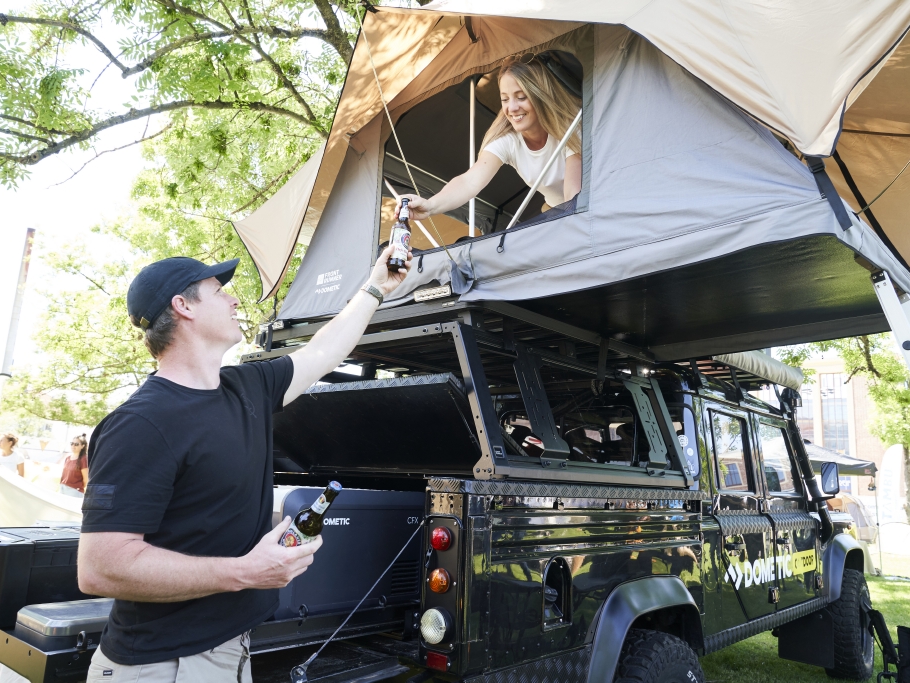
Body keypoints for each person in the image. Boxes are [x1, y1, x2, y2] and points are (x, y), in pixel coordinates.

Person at [77, 246, 411, 682]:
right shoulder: (141, 424)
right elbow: (100, 568)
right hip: (163, 666)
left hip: (230, 651)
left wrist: (375, 287)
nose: (234, 300)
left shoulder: (245, 387)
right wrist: (244, 572)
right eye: (219, 292)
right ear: (183, 307)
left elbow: (323, 352)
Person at [399, 52, 582, 226]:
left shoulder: (571, 127)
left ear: (541, 95)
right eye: (504, 99)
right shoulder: (508, 140)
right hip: (555, 212)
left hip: (580, 209)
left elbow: (573, 198)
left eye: (521, 97)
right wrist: (430, 206)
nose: (512, 108)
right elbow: (469, 181)